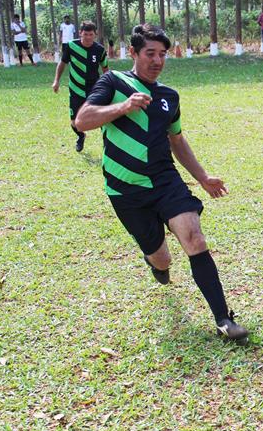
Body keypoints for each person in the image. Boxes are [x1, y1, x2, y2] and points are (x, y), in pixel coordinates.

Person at [74, 24, 248, 341]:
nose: (157, 60)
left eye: (162, 54)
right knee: (162, 258)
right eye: (150, 53)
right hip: (125, 190)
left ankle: (224, 319)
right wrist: (123, 107)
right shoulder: (113, 82)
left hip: (165, 181)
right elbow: (82, 120)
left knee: (194, 238)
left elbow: (177, 141)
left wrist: (203, 176)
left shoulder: (169, 96)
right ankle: (157, 264)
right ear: (134, 53)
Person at [52, 21, 108, 152]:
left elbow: (105, 69)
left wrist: (109, 85)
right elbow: (62, 64)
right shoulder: (71, 46)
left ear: (95, 35)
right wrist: (56, 81)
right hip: (76, 90)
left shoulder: (99, 50)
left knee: (101, 118)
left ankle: (107, 144)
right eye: (85, 34)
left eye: (91, 34)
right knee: (74, 122)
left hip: (95, 89)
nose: (88, 37)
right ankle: (81, 136)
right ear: (80, 33)